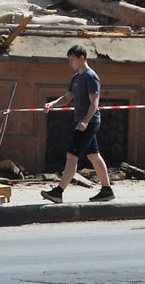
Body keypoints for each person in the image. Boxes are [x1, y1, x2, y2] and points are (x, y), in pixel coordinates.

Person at [41, 44, 115, 203]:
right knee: (94, 156)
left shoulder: (91, 76)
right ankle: (107, 190)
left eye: (72, 60)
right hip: (83, 121)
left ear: (82, 58)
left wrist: (85, 122)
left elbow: (94, 103)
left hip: (89, 121)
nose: (70, 63)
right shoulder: (76, 78)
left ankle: (58, 192)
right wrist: (52, 104)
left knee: (71, 155)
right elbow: (66, 98)